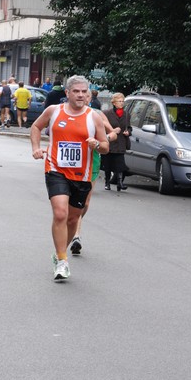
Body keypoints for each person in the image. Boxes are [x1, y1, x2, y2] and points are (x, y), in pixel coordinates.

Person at [31, 75, 109, 282]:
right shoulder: (54, 111)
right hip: (56, 168)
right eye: (76, 91)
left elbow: (105, 146)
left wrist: (96, 145)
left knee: (74, 218)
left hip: (82, 174)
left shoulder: (94, 117)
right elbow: (36, 127)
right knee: (60, 213)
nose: (81, 95)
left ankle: (58, 253)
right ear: (67, 93)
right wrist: (36, 148)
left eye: (84, 91)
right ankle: (63, 261)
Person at [70, 90, 120, 256]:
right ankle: (74, 232)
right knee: (69, 198)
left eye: (86, 94)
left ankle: (75, 229)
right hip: (69, 162)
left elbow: (113, 133)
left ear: (90, 98)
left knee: (84, 201)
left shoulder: (96, 114)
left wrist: (101, 140)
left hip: (92, 161)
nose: (82, 96)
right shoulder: (65, 111)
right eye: (78, 92)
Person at [102, 92, 132, 192]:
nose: (122, 103)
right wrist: (112, 131)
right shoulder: (106, 113)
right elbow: (102, 127)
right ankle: (107, 183)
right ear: (114, 102)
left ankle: (120, 183)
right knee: (108, 164)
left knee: (120, 164)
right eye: (120, 101)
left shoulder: (127, 114)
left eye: (123, 101)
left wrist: (128, 132)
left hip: (121, 142)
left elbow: (129, 127)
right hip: (110, 142)